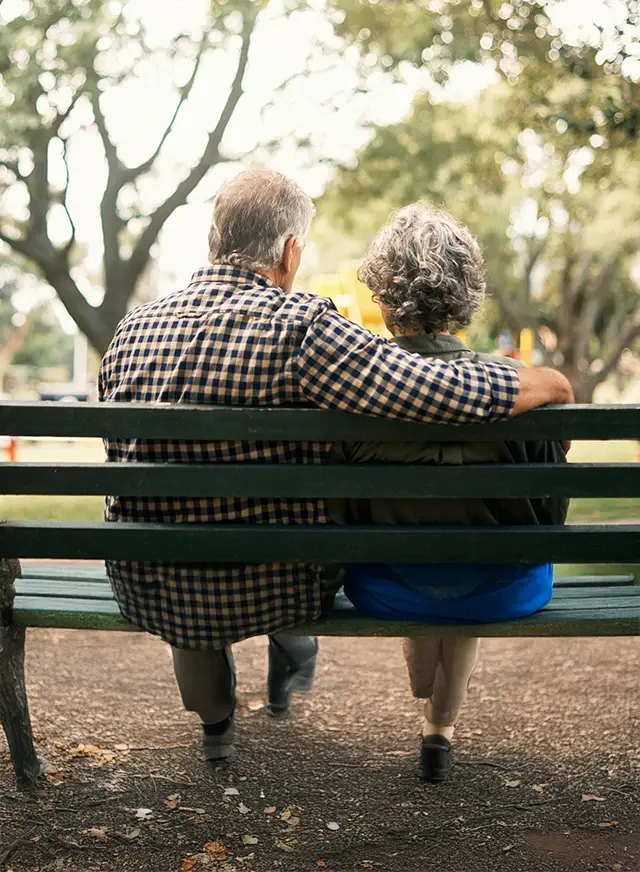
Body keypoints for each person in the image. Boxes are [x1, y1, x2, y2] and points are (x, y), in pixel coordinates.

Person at [98, 172, 573, 763]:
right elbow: (432, 388)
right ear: (291, 251)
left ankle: (216, 722)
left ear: (213, 241)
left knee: (191, 571)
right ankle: (292, 647)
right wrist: (539, 380)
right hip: (278, 586)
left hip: (154, 588)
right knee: (274, 541)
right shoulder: (300, 327)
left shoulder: (130, 331)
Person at [329, 204, 569, 783]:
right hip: (502, 589)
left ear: (383, 298)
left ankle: (426, 688)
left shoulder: (357, 389)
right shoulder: (519, 394)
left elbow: (345, 512)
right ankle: (440, 726)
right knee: (474, 569)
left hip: (390, 591)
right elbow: (549, 515)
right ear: (467, 294)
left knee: (423, 570)